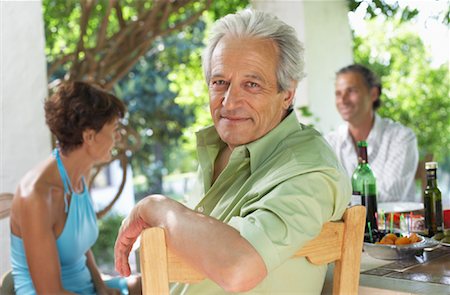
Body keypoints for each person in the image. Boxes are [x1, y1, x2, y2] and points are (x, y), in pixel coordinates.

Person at [115, 9, 350, 294]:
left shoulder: (309, 169)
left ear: (287, 93)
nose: (230, 101)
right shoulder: (217, 148)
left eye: (251, 85)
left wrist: (155, 206)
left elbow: (239, 267)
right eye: (220, 82)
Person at [9, 81, 141, 294]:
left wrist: (101, 287)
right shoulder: (37, 196)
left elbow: (79, 243)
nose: (117, 138)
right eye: (114, 129)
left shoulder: (79, 175)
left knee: (151, 284)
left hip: (85, 289)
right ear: (89, 136)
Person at [325, 64, 419, 203]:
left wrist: (341, 203)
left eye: (351, 91)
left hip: (392, 224)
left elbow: (391, 195)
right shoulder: (329, 143)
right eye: (338, 93)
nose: (343, 100)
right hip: (347, 224)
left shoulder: (401, 138)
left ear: (373, 94)